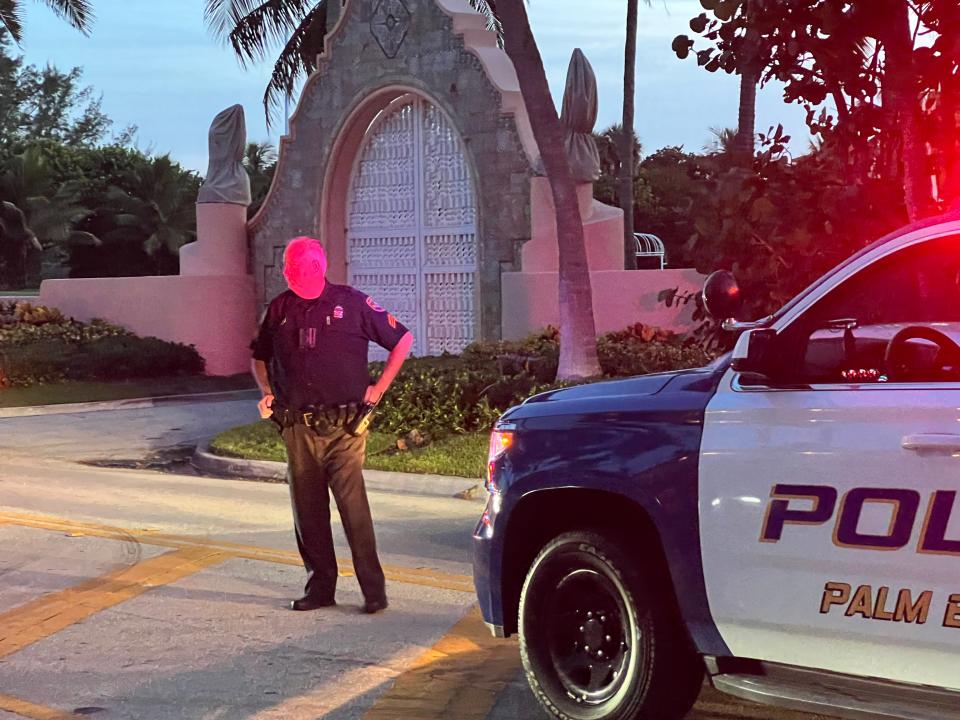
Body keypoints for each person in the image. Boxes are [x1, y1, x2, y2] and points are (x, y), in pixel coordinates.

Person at [250, 236, 414, 614]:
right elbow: (259, 356)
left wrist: (379, 389)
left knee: (353, 511)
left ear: (317, 268)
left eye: (300, 268)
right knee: (308, 514)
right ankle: (320, 588)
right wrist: (266, 390)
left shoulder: (352, 303)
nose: (293, 274)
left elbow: (402, 340)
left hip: (345, 427)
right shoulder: (280, 309)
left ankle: (373, 592)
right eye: (291, 269)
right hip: (298, 427)